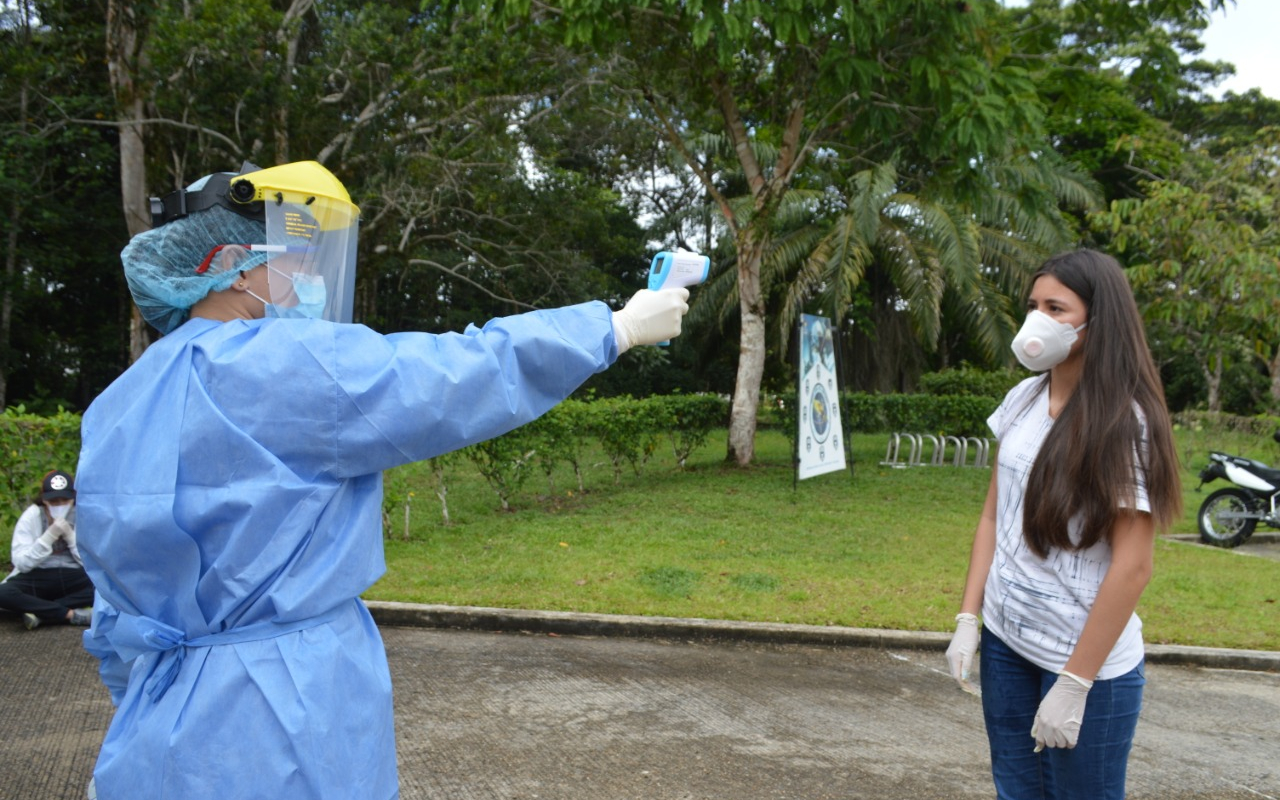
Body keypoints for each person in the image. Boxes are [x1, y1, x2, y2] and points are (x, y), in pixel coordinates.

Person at [76, 160, 689, 800]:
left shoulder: (119, 404)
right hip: (283, 716)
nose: (306, 278)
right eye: (291, 258)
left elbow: (113, 599)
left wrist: (141, 699)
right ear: (229, 265)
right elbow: (451, 374)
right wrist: (612, 328)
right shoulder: (284, 364)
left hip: (158, 723)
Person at [945, 249, 1182, 800]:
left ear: (1099, 322)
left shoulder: (1125, 424)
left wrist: (1076, 682)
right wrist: (968, 616)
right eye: (1033, 305)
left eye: (1057, 307)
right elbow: (991, 516)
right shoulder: (1022, 400)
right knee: (1016, 791)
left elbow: (1133, 565)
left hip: (1084, 664)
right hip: (1007, 644)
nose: (1038, 321)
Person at [0, 469, 94, 630]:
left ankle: (39, 612)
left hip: (73, 574)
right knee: (3, 593)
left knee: (106, 587)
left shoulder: (83, 515)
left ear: (73, 499)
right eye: (54, 502)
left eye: (64, 501)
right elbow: (22, 563)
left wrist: (70, 536)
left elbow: (92, 562)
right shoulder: (31, 516)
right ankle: (70, 615)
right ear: (44, 500)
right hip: (39, 574)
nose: (59, 505)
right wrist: (49, 536)